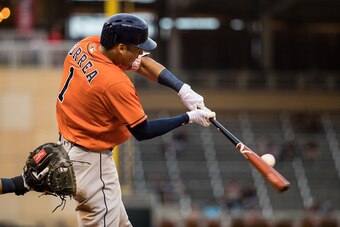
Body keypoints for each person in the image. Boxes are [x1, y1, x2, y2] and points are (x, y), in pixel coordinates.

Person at [0, 13, 215, 226]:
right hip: (92, 164)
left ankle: (16, 184)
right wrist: (188, 117)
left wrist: (182, 89)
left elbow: (144, 64)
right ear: (121, 48)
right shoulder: (114, 83)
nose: (141, 53)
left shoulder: (86, 45)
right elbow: (143, 131)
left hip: (70, 147)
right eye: (137, 48)